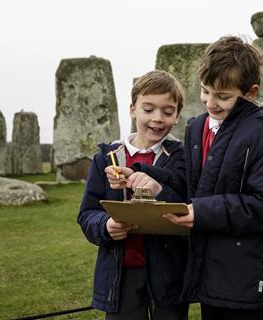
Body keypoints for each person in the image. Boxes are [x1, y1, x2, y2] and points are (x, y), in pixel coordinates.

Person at [160, 36, 263, 320]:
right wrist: (152, 178)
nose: (210, 102)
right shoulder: (196, 128)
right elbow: (193, 183)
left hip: (244, 272)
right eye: (205, 91)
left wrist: (201, 212)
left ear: (251, 92)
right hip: (207, 267)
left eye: (223, 96)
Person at [78, 70, 189, 320]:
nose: (157, 118)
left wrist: (160, 189)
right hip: (121, 270)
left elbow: (189, 202)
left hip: (168, 270)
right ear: (132, 110)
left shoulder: (182, 158)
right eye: (148, 109)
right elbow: (87, 214)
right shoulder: (106, 158)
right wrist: (106, 226)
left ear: (177, 116)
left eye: (167, 111)